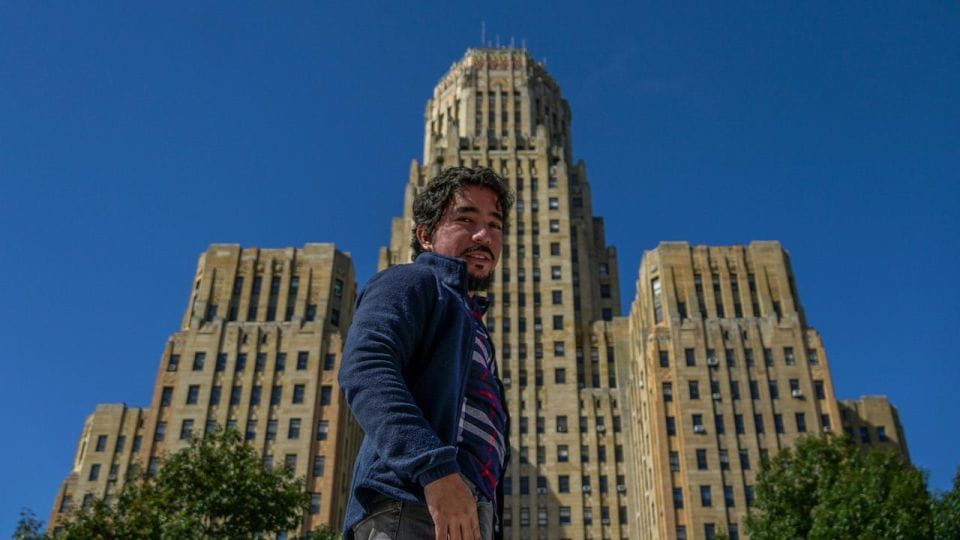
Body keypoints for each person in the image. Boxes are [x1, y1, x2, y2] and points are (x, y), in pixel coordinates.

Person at [339, 167, 514, 540]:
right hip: (413, 506)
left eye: (494, 225)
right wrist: (436, 472)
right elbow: (366, 368)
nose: (483, 235)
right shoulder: (412, 281)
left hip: (466, 512)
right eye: (465, 220)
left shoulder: (470, 322)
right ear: (426, 235)